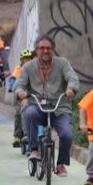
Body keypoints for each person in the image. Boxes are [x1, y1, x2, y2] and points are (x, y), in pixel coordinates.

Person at [15, 35, 79, 177]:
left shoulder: (62, 63)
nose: (45, 51)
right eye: (42, 48)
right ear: (36, 51)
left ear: (53, 50)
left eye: (48, 48)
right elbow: (19, 83)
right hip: (37, 105)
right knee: (29, 113)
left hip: (59, 107)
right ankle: (34, 149)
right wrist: (20, 92)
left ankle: (61, 164)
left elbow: (72, 77)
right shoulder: (28, 67)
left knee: (67, 135)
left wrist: (71, 88)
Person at [10, 47, 34, 147]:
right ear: (22, 60)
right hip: (21, 97)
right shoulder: (19, 69)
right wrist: (13, 87)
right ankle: (18, 136)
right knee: (19, 114)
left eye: (29, 58)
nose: (27, 60)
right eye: (25, 58)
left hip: (33, 96)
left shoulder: (36, 68)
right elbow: (13, 80)